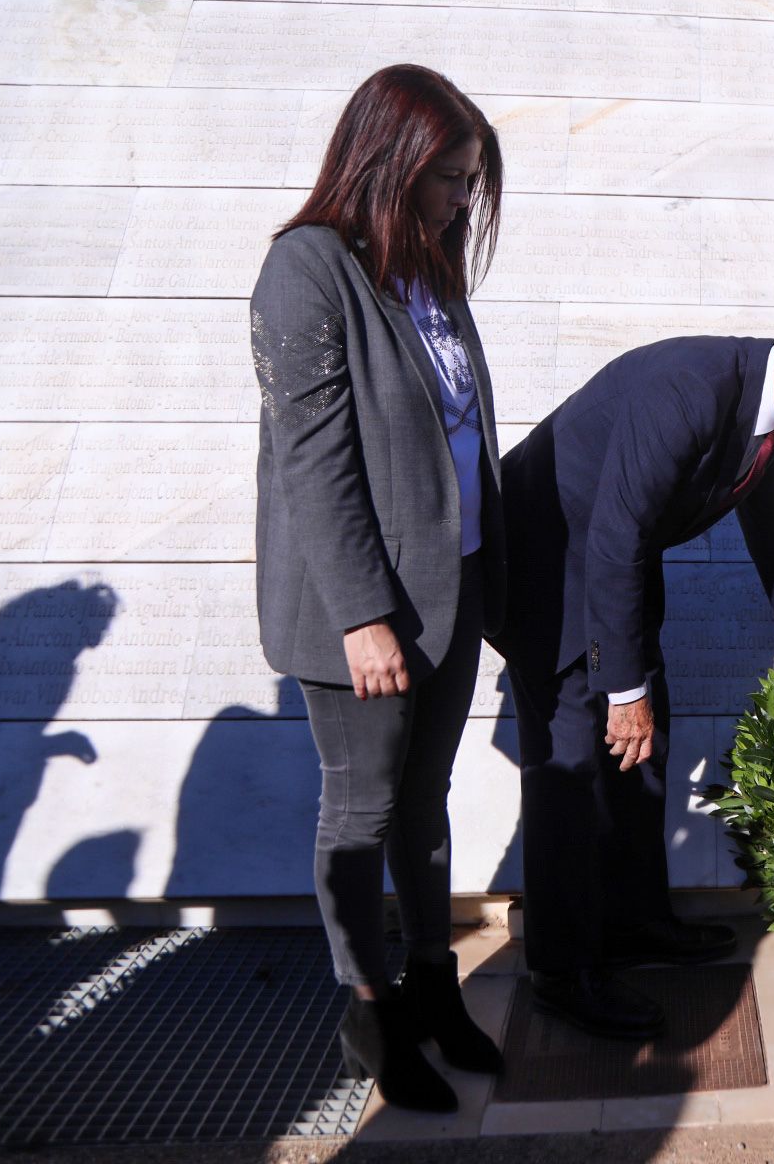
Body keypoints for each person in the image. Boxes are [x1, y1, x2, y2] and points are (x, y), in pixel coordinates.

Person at [492, 312, 774, 1039]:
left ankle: (636, 921)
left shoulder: (770, 410)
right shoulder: (688, 390)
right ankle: (563, 971)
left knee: (645, 752)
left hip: (616, 570)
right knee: (572, 767)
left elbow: (764, 517)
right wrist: (623, 690)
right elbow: (617, 531)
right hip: (546, 571)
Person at [250, 64, 507, 1113]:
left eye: (471, 181)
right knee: (359, 811)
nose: (462, 201)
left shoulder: (429, 270)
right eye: (449, 177)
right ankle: (369, 1007)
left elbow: (462, 433)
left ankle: (434, 987)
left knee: (427, 807)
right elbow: (316, 459)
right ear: (389, 160)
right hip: (364, 610)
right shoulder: (305, 271)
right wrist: (363, 613)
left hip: (453, 590)